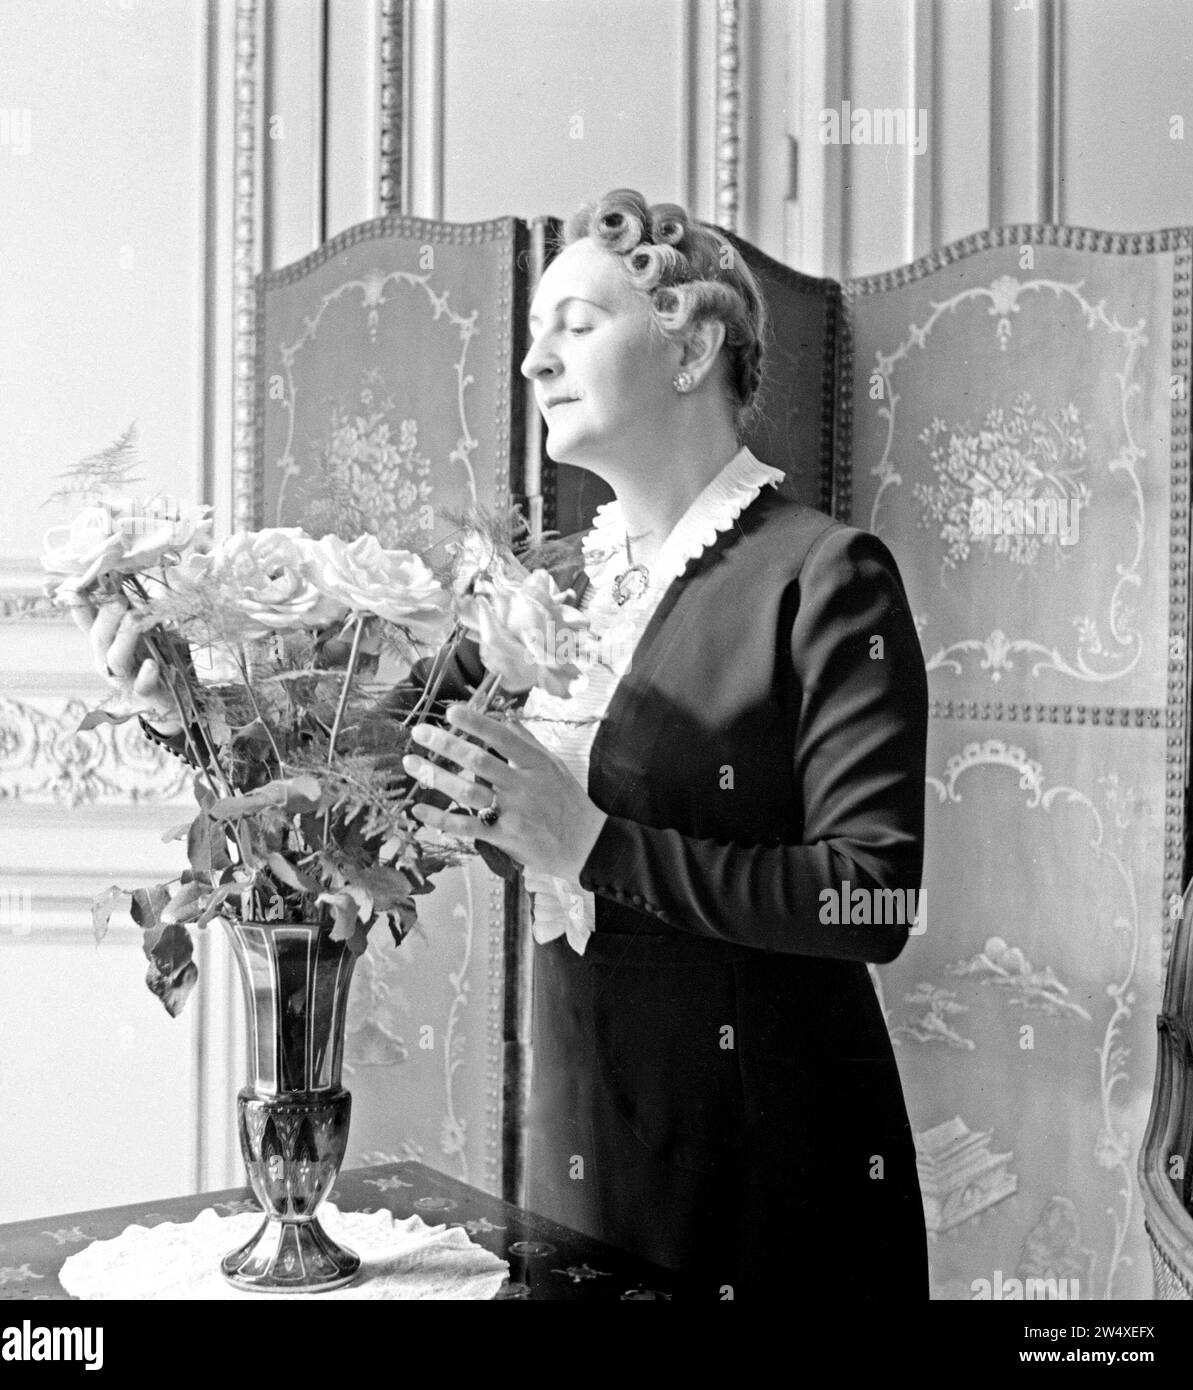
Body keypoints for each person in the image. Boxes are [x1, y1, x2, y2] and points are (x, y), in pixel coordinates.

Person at [81, 189, 930, 1300]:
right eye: (530, 335)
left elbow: (869, 897)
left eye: (576, 324)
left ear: (692, 348)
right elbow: (355, 787)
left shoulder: (825, 576)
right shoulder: (553, 591)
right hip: (583, 1145)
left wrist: (589, 846)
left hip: (775, 1167)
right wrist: (174, 700)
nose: (535, 364)